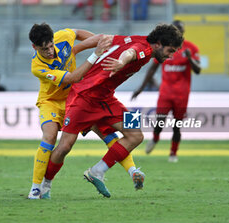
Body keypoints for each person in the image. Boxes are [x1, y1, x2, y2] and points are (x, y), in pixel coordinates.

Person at [40, 23, 184, 198]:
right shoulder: (144, 49)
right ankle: (44, 185)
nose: (170, 56)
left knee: (136, 135)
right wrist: (121, 61)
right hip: (84, 96)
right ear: (159, 44)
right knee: (64, 146)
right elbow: (130, 53)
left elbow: (104, 38)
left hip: (106, 98)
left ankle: (96, 172)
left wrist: (77, 49)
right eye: (170, 50)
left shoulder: (136, 39)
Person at [28, 23, 141, 199]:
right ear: (34, 47)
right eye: (44, 49)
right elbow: (74, 77)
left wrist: (100, 44)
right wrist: (97, 52)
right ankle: (38, 187)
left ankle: (131, 171)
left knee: (114, 133)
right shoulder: (37, 66)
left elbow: (81, 34)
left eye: (51, 46)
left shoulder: (62, 36)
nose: (50, 51)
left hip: (81, 96)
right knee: (53, 139)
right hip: (52, 101)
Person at [131, 20, 201, 163]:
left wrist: (189, 59)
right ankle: (155, 138)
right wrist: (141, 88)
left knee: (177, 125)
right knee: (160, 121)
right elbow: (152, 69)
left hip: (182, 94)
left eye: (180, 30)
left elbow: (198, 70)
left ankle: (173, 153)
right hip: (166, 92)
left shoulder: (191, 49)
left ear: (183, 32)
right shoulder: (165, 48)